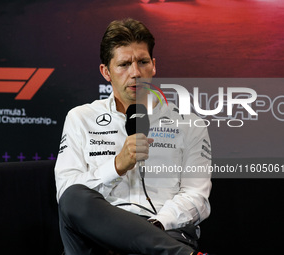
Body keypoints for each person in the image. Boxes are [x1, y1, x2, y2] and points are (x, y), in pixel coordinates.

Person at [54, 18, 212, 255]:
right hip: (100, 237)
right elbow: (66, 194)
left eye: (143, 62)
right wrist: (116, 166)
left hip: (164, 231)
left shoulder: (189, 124)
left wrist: (152, 228)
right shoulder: (80, 118)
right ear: (106, 72)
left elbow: (196, 197)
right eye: (124, 64)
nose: (135, 73)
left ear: (154, 65)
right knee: (73, 196)